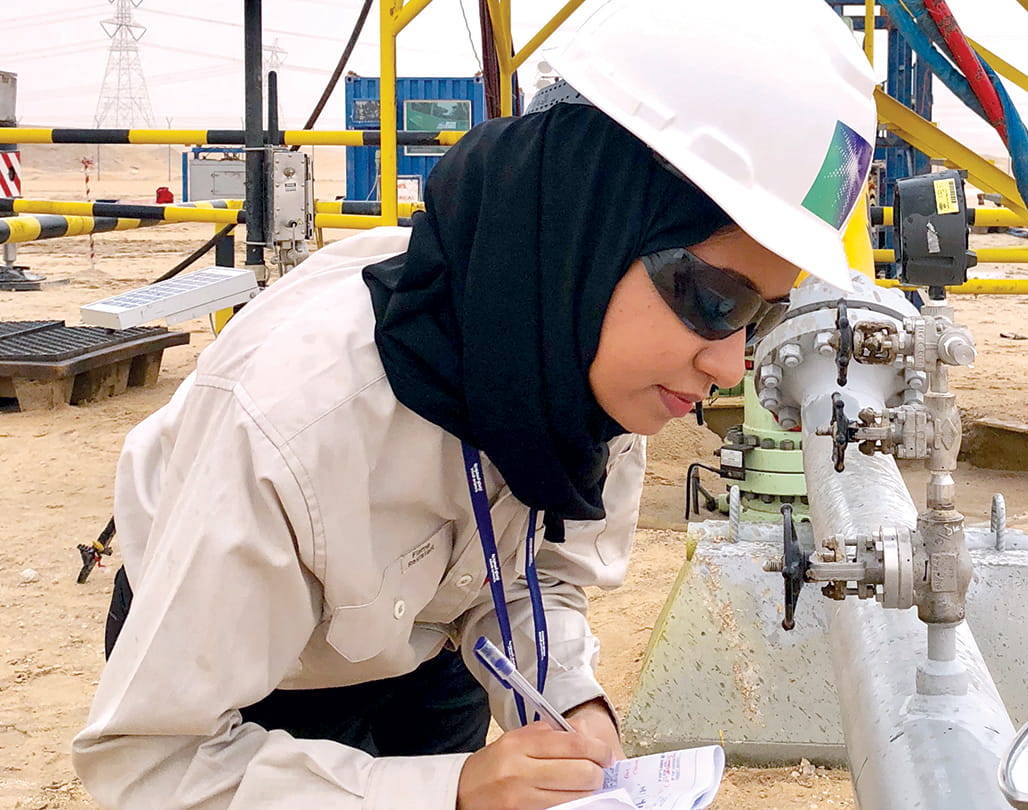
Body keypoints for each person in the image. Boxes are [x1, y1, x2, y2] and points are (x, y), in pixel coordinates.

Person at [72, 1, 876, 808]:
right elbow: (152, 767)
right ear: (582, 228)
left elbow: (536, 576)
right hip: (239, 687)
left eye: (760, 315)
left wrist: (571, 700)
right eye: (714, 300)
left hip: (433, 644)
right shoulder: (294, 418)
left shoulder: (598, 373)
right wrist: (448, 790)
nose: (728, 366)